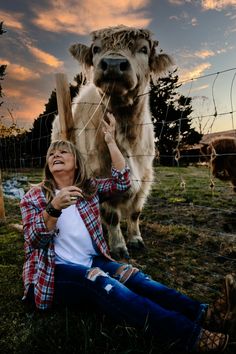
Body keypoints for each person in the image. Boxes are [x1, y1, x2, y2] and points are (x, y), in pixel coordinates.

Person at [20, 112, 235, 353]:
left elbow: (122, 182)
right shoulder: (35, 197)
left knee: (135, 277)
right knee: (101, 282)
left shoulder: (88, 189)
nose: (55, 154)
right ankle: (192, 337)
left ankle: (206, 314)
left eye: (63, 151)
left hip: (92, 259)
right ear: (48, 165)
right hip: (54, 271)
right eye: (51, 153)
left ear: (77, 162)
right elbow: (34, 241)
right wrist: (54, 208)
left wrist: (111, 140)